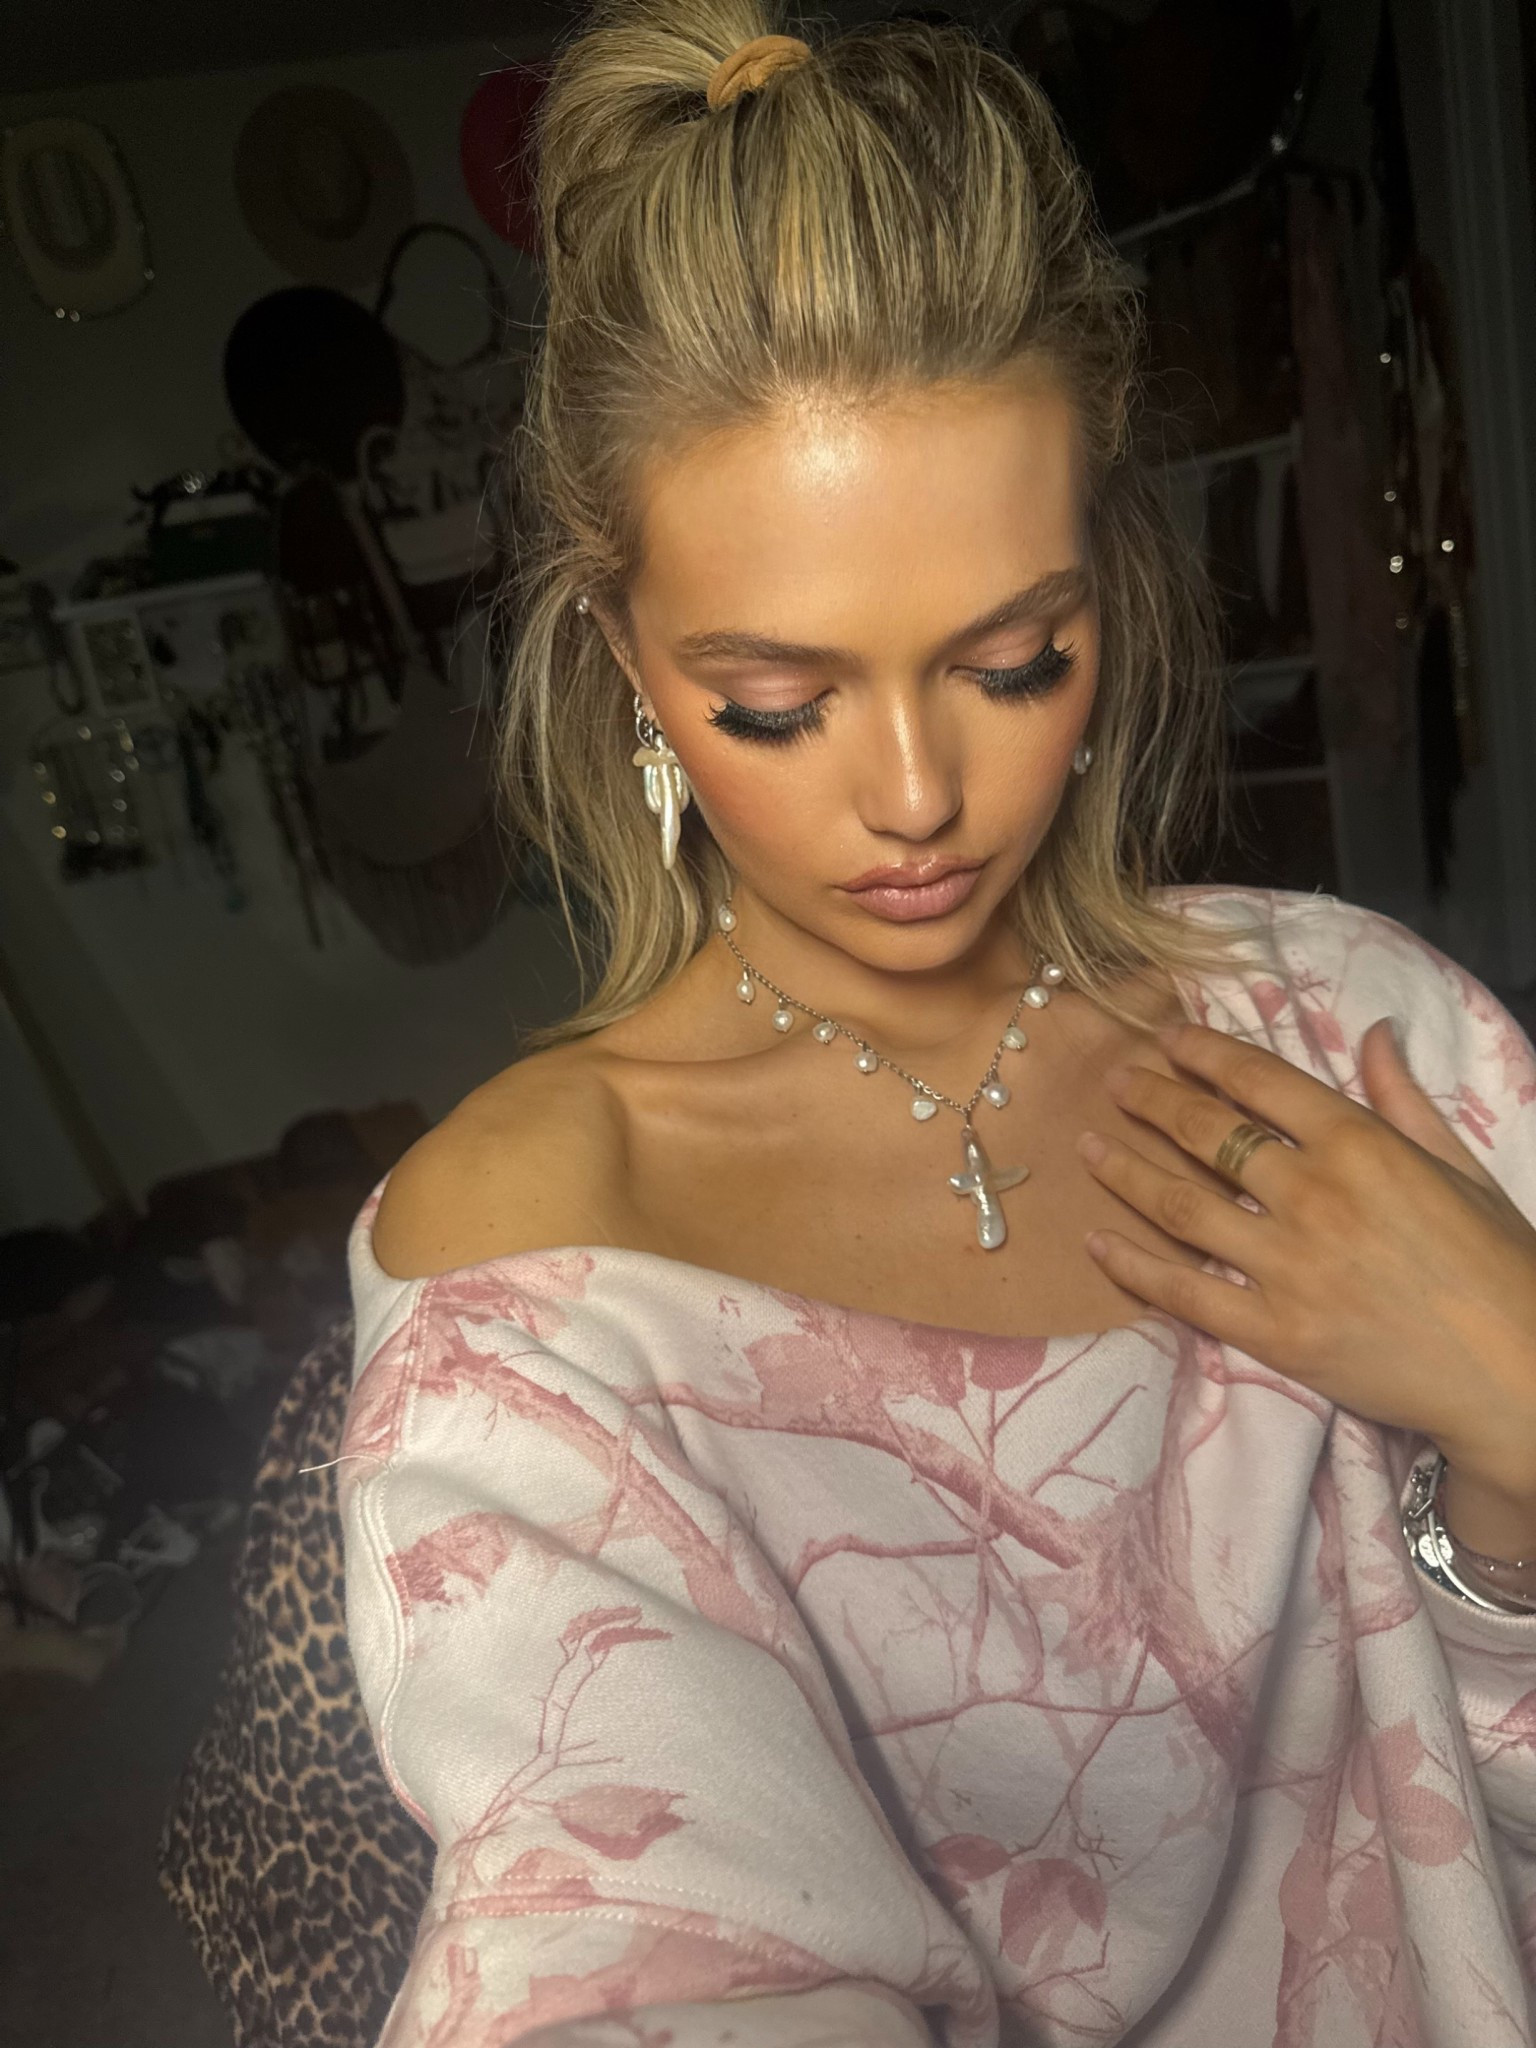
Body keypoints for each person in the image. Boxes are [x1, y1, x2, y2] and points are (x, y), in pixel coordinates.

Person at [339, 7, 1536, 2044]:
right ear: (622, 651)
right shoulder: (529, 1276)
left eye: (1013, 662)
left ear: (1105, 590)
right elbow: (629, 1941)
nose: (913, 799)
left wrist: (1516, 1399)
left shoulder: (1357, 1026)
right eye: (778, 702)